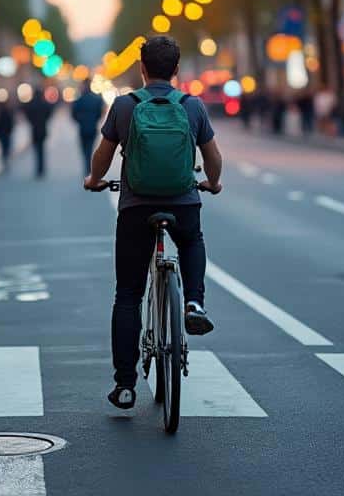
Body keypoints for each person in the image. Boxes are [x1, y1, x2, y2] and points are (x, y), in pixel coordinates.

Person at [84, 35, 222, 410]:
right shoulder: (192, 106)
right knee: (191, 241)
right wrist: (212, 182)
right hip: (183, 202)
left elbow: (103, 155)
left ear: (141, 68)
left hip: (135, 207)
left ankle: (125, 385)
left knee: (128, 294)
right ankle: (193, 302)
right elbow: (212, 157)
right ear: (176, 70)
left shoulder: (125, 106)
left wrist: (94, 180)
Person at [71, 86, 104, 174]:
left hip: (83, 127)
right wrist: (95, 120)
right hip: (93, 127)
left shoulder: (79, 100)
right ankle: (88, 165)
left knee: (84, 148)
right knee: (90, 147)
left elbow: (73, 113)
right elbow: (100, 112)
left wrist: (80, 120)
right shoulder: (96, 99)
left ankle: (87, 166)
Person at [23, 89, 54, 178]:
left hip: (34, 129)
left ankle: (38, 169)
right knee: (42, 149)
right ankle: (41, 168)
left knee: (37, 149)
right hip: (42, 128)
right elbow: (49, 113)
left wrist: (32, 122)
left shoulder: (31, 104)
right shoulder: (44, 104)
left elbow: (26, 112)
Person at [0, 95, 16, 168]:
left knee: (4, 146)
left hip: (3, 132)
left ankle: (4, 158)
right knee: (6, 146)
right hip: (6, 132)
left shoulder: (1, 112)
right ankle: (5, 159)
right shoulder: (8, 112)